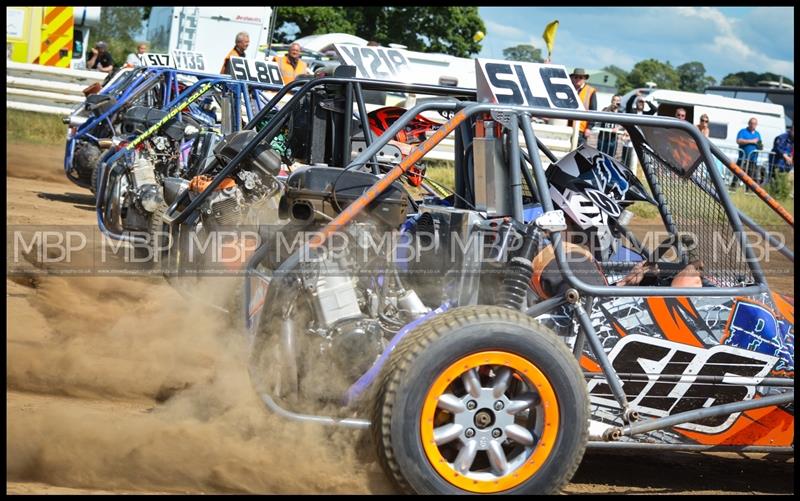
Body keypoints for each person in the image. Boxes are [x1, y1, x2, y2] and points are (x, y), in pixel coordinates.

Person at [567, 68, 597, 146]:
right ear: (572, 78)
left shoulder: (590, 91)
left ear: (584, 79)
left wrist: (589, 127)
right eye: (576, 77)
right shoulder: (567, 88)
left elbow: (593, 110)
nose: (578, 79)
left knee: (579, 151)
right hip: (567, 126)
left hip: (581, 128)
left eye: (580, 77)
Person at [733, 117, 763, 186]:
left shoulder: (757, 134)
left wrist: (760, 146)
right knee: (737, 174)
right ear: (749, 123)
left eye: (755, 124)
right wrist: (752, 141)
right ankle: (733, 187)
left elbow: (759, 144)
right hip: (742, 158)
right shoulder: (743, 131)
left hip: (753, 160)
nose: (753, 125)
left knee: (751, 178)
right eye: (752, 123)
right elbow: (739, 141)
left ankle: (748, 190)